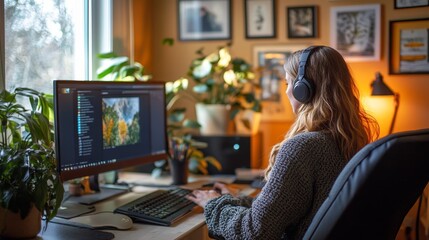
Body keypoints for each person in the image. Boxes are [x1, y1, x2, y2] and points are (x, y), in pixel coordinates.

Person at [186, 45, 379, 239]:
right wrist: (234, 200)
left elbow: (253, 232)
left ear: (303, 90)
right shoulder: (352, 141)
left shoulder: (303, 147)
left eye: (288, 83)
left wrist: (214, 203)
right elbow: (283, 210)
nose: (286, 92)